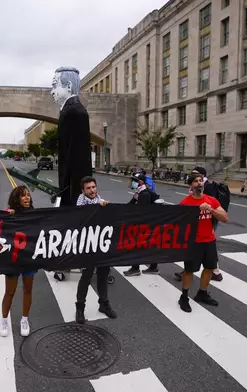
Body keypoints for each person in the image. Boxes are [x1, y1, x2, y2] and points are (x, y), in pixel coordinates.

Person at [178, 174, 228, 313]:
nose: (199, 183)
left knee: (210, 268)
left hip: (209, 241)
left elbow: (225, 218)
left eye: (201, 181)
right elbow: (179, 225)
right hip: (194, 243)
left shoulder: (211, 200)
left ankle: (202, 293)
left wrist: (211, 210)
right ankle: (184, 297)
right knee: (189, 271)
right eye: (195, 181)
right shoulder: (185, 203)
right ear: (190, 186)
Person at [75, 176, 117, 323]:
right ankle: (80, 308)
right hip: (87, 246)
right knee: (86, 277)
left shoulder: (102, 202)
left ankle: (104, 304)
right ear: (83, 190)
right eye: (88, 188)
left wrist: (106, 209)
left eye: (94, 187)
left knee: (103, 275)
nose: (92, 190)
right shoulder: (80, 205)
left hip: (101, 245)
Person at [50, 66, 92, 206]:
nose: (52, 91)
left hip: (72, 195)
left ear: (68, 86)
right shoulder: (69, 111)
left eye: (54, 86)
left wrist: (72, 199)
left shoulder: (75, 112)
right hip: (69, 191)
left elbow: (77, 160)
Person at [0, 185, 38, 337]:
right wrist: (7, 216)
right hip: (13, 259)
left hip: (28, 258)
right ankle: (3, 320)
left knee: (28, 290)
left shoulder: (34, 214)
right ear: (17, 199)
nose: (27, 197)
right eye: (23, 195)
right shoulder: (9, 214)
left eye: (28, 195)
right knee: (10, 291)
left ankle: (24, 319)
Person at [175, 166, 223, 282]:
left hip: (209, 220)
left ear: (202, 176)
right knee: (199, 252)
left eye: (198, 177)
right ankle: (189, 271)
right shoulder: (193, 191)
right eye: (194, 179)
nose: (197, 181)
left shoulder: (209, 188)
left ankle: (215, 272)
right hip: (197, 224)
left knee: (207, 249)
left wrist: (211, 213)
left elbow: (215, 205)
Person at [123, 173, 159, 277]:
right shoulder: (139, 193)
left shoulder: (144, 195)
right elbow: (130, 204)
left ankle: (135, 268)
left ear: (141, 182)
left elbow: (142, 212)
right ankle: (153, 267)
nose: (132, 182)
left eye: (134, 180)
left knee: (137, 246)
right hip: (143, 224)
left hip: (144, 225)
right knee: (148, 246)